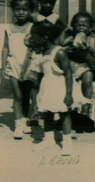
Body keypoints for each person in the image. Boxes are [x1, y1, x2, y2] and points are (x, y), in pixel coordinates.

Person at [28, 21, 84, 155]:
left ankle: (67, 142)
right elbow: (40, 73)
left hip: (60, 87)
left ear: (45, 37)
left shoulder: (59, 52)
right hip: (47, 87)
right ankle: (49, 140)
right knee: (47, 113)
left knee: (64, 114)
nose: (31, 39)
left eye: (34, 37)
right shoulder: (41, 53)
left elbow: (68, 73)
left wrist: (69, 94)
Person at [2, 0, 35, 139]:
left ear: (30, 11)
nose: (21, 12)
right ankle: (18, 125)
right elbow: (5, 48)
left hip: (29, 65)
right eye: (18, 9)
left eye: (25, 9)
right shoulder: (8, 28)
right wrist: (3, 66)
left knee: (27, 95)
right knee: (18, 96)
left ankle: (25, 121)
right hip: (13, 65)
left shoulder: (32, 27)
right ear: (13, 10)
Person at [60, 12, 95, 115]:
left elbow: (92, 50)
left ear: (90, 28)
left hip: (83, 66)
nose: (81, 27)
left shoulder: (90, 38)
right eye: (78, 25)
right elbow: (61, 43)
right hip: (71, 65)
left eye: (84, 25)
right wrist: (65, 31)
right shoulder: (72, 38)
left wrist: (86, 48)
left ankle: (86, 104)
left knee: (88, 77)